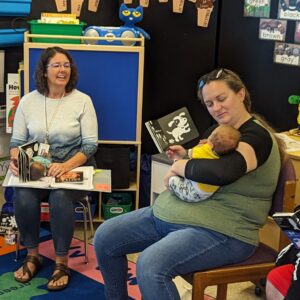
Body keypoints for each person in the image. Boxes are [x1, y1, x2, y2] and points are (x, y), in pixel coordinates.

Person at [93, 68, 285, 299]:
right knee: (105, 238)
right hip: (175, 216)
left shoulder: (257, 137)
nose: (216, 107)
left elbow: (223, 172)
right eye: (210, 103)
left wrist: (178, 167)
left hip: (223, 231)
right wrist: (185, 155)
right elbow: (204, 161)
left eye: (222, 99)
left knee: (150, 266)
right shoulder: (218, 130)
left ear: (241, 94)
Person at [9, 46, 98, 291]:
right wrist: (18, 161)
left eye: (66, 65)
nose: (62, 70)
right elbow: (16, 143)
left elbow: (90, 145)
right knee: (23, 195)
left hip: (73, 169)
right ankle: (32, 256)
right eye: (56, 65)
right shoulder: (28, 101)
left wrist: (65, 166)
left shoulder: (83, 101)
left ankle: (61, 263)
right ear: (44, 71)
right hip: (37, 171)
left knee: (60, 198)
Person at [168, 124, 241, 202]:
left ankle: (175, 162)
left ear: (211, 144)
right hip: (208, 192)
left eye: (212, 134)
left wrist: (202, 146)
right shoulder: (225, 154)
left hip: (193, 192)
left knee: (172, 179)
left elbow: (191, 154)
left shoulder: (204, 150)